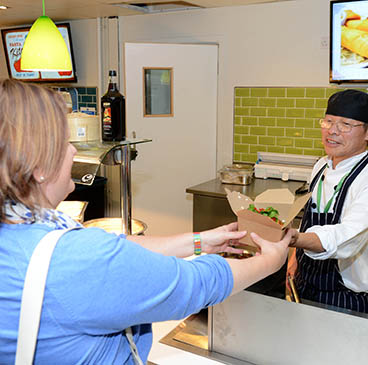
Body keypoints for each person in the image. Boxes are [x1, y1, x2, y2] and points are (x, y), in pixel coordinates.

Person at [0, 79, 291, 364]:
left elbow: (119, 247)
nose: (74, 151)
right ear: (38, 166)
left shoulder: (20, 229)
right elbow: (195, 284)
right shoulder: (78, 258)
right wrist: (270, 262)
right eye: (64, 142)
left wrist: (199, 242)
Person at [289, 89, 368, 313]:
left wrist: (292, 239)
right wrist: (294, 257)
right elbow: (308, 217)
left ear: (366, 133)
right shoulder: (321, 165)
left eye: (345, 124)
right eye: (328, 122)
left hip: (349, 296)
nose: (332, 131)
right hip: (306, 283)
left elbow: (347, 237)